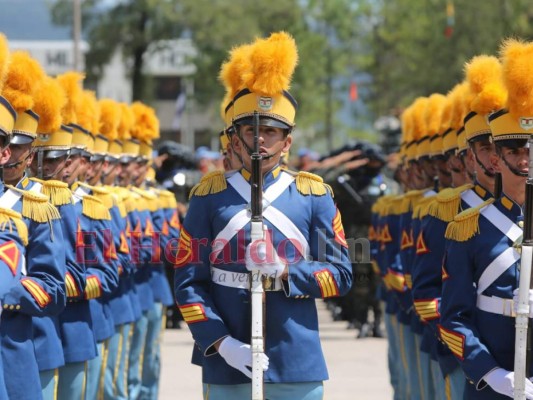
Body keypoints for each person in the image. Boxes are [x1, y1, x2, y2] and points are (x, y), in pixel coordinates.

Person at [174, 32, 352, 400]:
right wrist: (220, 342)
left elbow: (341, 276)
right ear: (234, 138)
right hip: (227, 359)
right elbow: (188, 283)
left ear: (287, 142)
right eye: (250, 130)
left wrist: (287, 271)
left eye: (270, 131)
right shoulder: (208, 198)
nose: (259, 140)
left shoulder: (313, 195)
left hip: (295, 356)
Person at [440, 38, 533, 399]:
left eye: (530, 149)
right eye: (514, 150)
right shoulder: (468, 228)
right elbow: (453, 319)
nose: (525, 159)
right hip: (493, 384)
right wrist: (490, 374)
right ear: (495, 159)